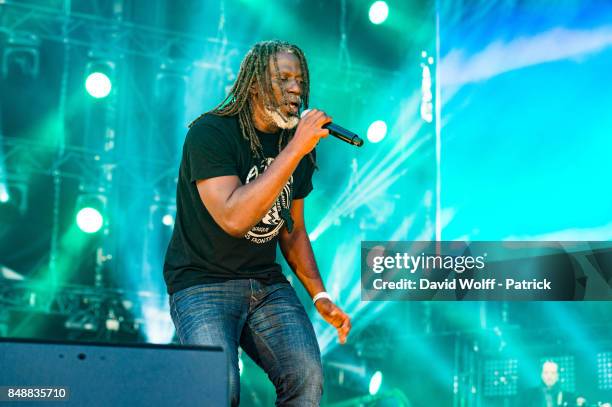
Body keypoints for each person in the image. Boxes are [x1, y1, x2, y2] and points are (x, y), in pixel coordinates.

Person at [163, 40, 352, 406]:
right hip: (203, 282)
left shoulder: (297, 143)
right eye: (283, 79)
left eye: (299, 79)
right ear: (253, 85)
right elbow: (234, 217)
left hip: (265, 285)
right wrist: (295, 148)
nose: (296, 88)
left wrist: (321, 295)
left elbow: (292, 230)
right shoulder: (211, 133)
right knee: (218, 391)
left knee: (306, 377)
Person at [519, 361, 584, 407]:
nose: (549, 376)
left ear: (557, 376)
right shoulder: (529, 395)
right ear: (542, 375)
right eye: (546, 372)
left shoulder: (568, 396)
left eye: (553, 373)